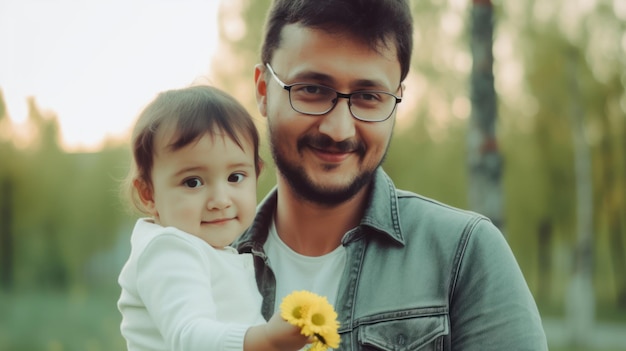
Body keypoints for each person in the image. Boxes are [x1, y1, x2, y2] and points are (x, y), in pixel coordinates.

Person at [234, 0, 549, 350]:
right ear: (263, 89)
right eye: (312, 90)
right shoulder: (195, 261)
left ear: (397, 98)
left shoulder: (464, 256)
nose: (339, 130)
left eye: (369, 96)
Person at [117, 85, 309, 351]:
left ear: (256, 173)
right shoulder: (169, 250)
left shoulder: (209, 250)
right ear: (149, 194)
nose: (220, 200)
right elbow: (190, 336)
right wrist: (267, 340)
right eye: (193, 182)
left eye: (235, 177)